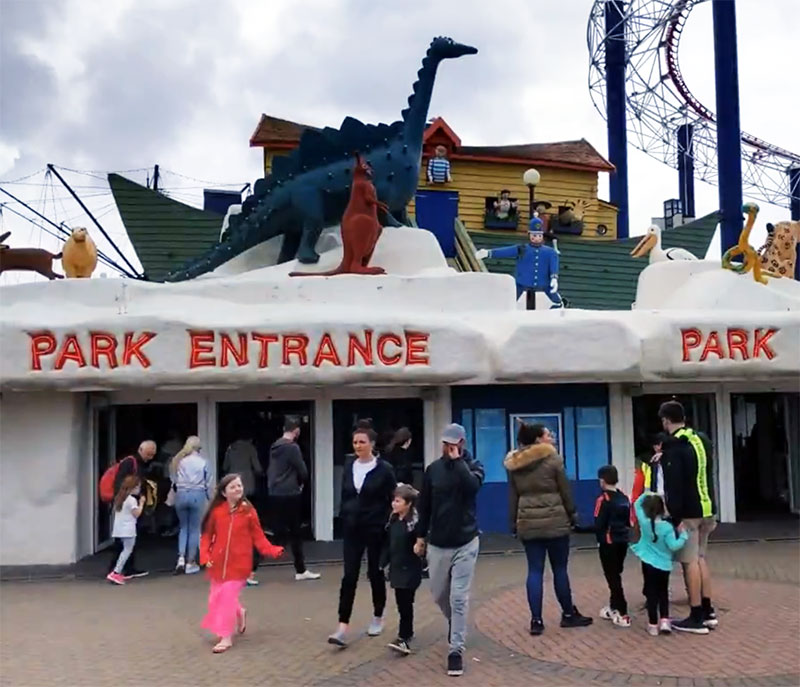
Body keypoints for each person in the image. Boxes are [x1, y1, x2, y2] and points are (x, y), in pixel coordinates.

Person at [504, 422, 592, 637]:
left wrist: (514, 522)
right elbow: (565, 490)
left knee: (534, 570)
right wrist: (572, 514)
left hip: (527, 522)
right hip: (555, 521)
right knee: (560, 569)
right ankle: (568, 614)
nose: (551, 437)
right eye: (547, 435)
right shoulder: (553, 459)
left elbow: (513, 495)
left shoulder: (515, 464)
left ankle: (536, 620)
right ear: (537, 439)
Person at [415, 423, 484, 678]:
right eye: (445, 443)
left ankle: (456, 650)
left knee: (458, 597)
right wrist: (420, 537)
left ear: (462, 443)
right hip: (438, 543)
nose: (448, 447)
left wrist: (458, 463)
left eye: (453, 443)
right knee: (439, 594)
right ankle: (457, 624)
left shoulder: (474, 467)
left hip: (466, 541)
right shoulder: (433, 470)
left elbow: (472, 488)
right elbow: (425, 506)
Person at [199, 473, 284, 654]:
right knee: (216, 598)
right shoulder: (216, 512)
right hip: (218, 564)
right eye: (233, 487)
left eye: (239, 485)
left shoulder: (248, 512)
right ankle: (240, 612)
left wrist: (272, 550)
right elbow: (206, 536)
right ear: (224, 492)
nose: (238, 489)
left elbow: (259, 537)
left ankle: (226, 637)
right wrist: (205, 556)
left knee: (227, 599)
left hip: (239, 564)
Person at [328, 427, 396, 647]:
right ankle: (342, 626)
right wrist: (343, 516)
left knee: (375, 573)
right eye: (355, 442)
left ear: (372, 444)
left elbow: (392, 498)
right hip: (352, 528)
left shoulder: (384, 469)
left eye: (362, 442)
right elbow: (346, 494)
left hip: (375, 528)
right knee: (349, 576)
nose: (357, 446)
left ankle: (378, 615)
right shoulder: (349, 466)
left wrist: (388, 523)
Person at [658, 400, 717, 634]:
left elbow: (676, 484)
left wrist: (674, 515)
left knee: (688, 561)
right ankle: (708, 609)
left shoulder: (674, 446)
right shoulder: (701, 439)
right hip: (707, 508)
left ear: (665, 420)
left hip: (689, 513)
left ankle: (695, 616)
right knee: (701, 558)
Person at [264, 417, 320, 583]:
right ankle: (300, 569)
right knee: (295, 533)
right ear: (296, 430)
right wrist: (302, 484)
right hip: (290, 492)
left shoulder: (275, 446)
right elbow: (302, 470)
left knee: (276, 533)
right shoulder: (292, 448)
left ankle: (249, 569)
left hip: (275, 492)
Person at [630, 493, 689, 636]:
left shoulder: (644, 523)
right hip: (663, 565)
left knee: (651, 592)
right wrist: (683, 535)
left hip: (647, 562)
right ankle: (664, 621)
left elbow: (636, 504)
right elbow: (674, 546)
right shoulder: (667, 527)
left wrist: (647, 493)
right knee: (663, 592)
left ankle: (652, 624)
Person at [475, 217, 562, 309]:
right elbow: (506, 251)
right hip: (523, 280)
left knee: (552, 293)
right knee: (512, 297)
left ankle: (559, 305)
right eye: (534, 235)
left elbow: (553, 265)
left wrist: (554, 278)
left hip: (543, 281)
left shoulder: (550, 252)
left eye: (539, 236)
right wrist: (488, 253)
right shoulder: (522, 249)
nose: (536, 238)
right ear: (529, 235)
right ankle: (505, 309)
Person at [382, 483, 423, 656]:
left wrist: (419, 549)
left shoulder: (414, 524)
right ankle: (407, 633)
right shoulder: (392, 521)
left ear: (408, 504)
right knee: (401, 602)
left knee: (405, 602)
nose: (394, 504)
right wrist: (382, 563)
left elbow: (421, 544)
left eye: (398, 501)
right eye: (394, 500)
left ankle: (404, 636)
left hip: (410, 569)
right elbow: (388, 545)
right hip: (397, 568)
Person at [106, 439, 157, 578]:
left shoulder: (138, 463)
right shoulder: (130, 462)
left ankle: (124, 567)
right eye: (148, 454)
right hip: (126, 505)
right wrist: (123, 501)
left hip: (127, 503)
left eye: (152, 455)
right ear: (141, 450)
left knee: (128, 539)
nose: (150, 458)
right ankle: (118, 569)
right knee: (125, 540)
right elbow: (120, 482)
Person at [594, 465, 631, 627]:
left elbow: (598, 522)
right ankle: (614, 605)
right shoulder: (624, 497)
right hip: (623, 540)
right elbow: (628, 521)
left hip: (608, 542)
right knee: (616, 573)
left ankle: (622, 611)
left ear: (602, 480)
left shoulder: (603, 499)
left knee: (612, 576)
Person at [171, 436, 212, 575]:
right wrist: (210, 498)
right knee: (194, 529)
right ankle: (191, 562)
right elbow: (208, 482)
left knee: (183, 528)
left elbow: (174, 480)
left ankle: (180, 559)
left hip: (181, 494)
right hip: (197, 494)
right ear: (198, 448)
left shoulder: (179, 461)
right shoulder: (203, 462)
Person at [106, 476, 145, 585]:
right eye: (138, 487)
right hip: (128, 530)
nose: (139, 489)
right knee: (127, 551)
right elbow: (136, 514)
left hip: (119, 529)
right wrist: (141, 503)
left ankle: (116, 571)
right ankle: (116, 572)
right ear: (133, 487)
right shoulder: (131, 500)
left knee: (124, 550)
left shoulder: (120, 498)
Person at [223, 434, 262, 501]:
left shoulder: (231, 447)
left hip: (233, 479)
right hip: (247, 480)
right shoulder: (250, 447)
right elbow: (257, 466)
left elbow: (225, 466)